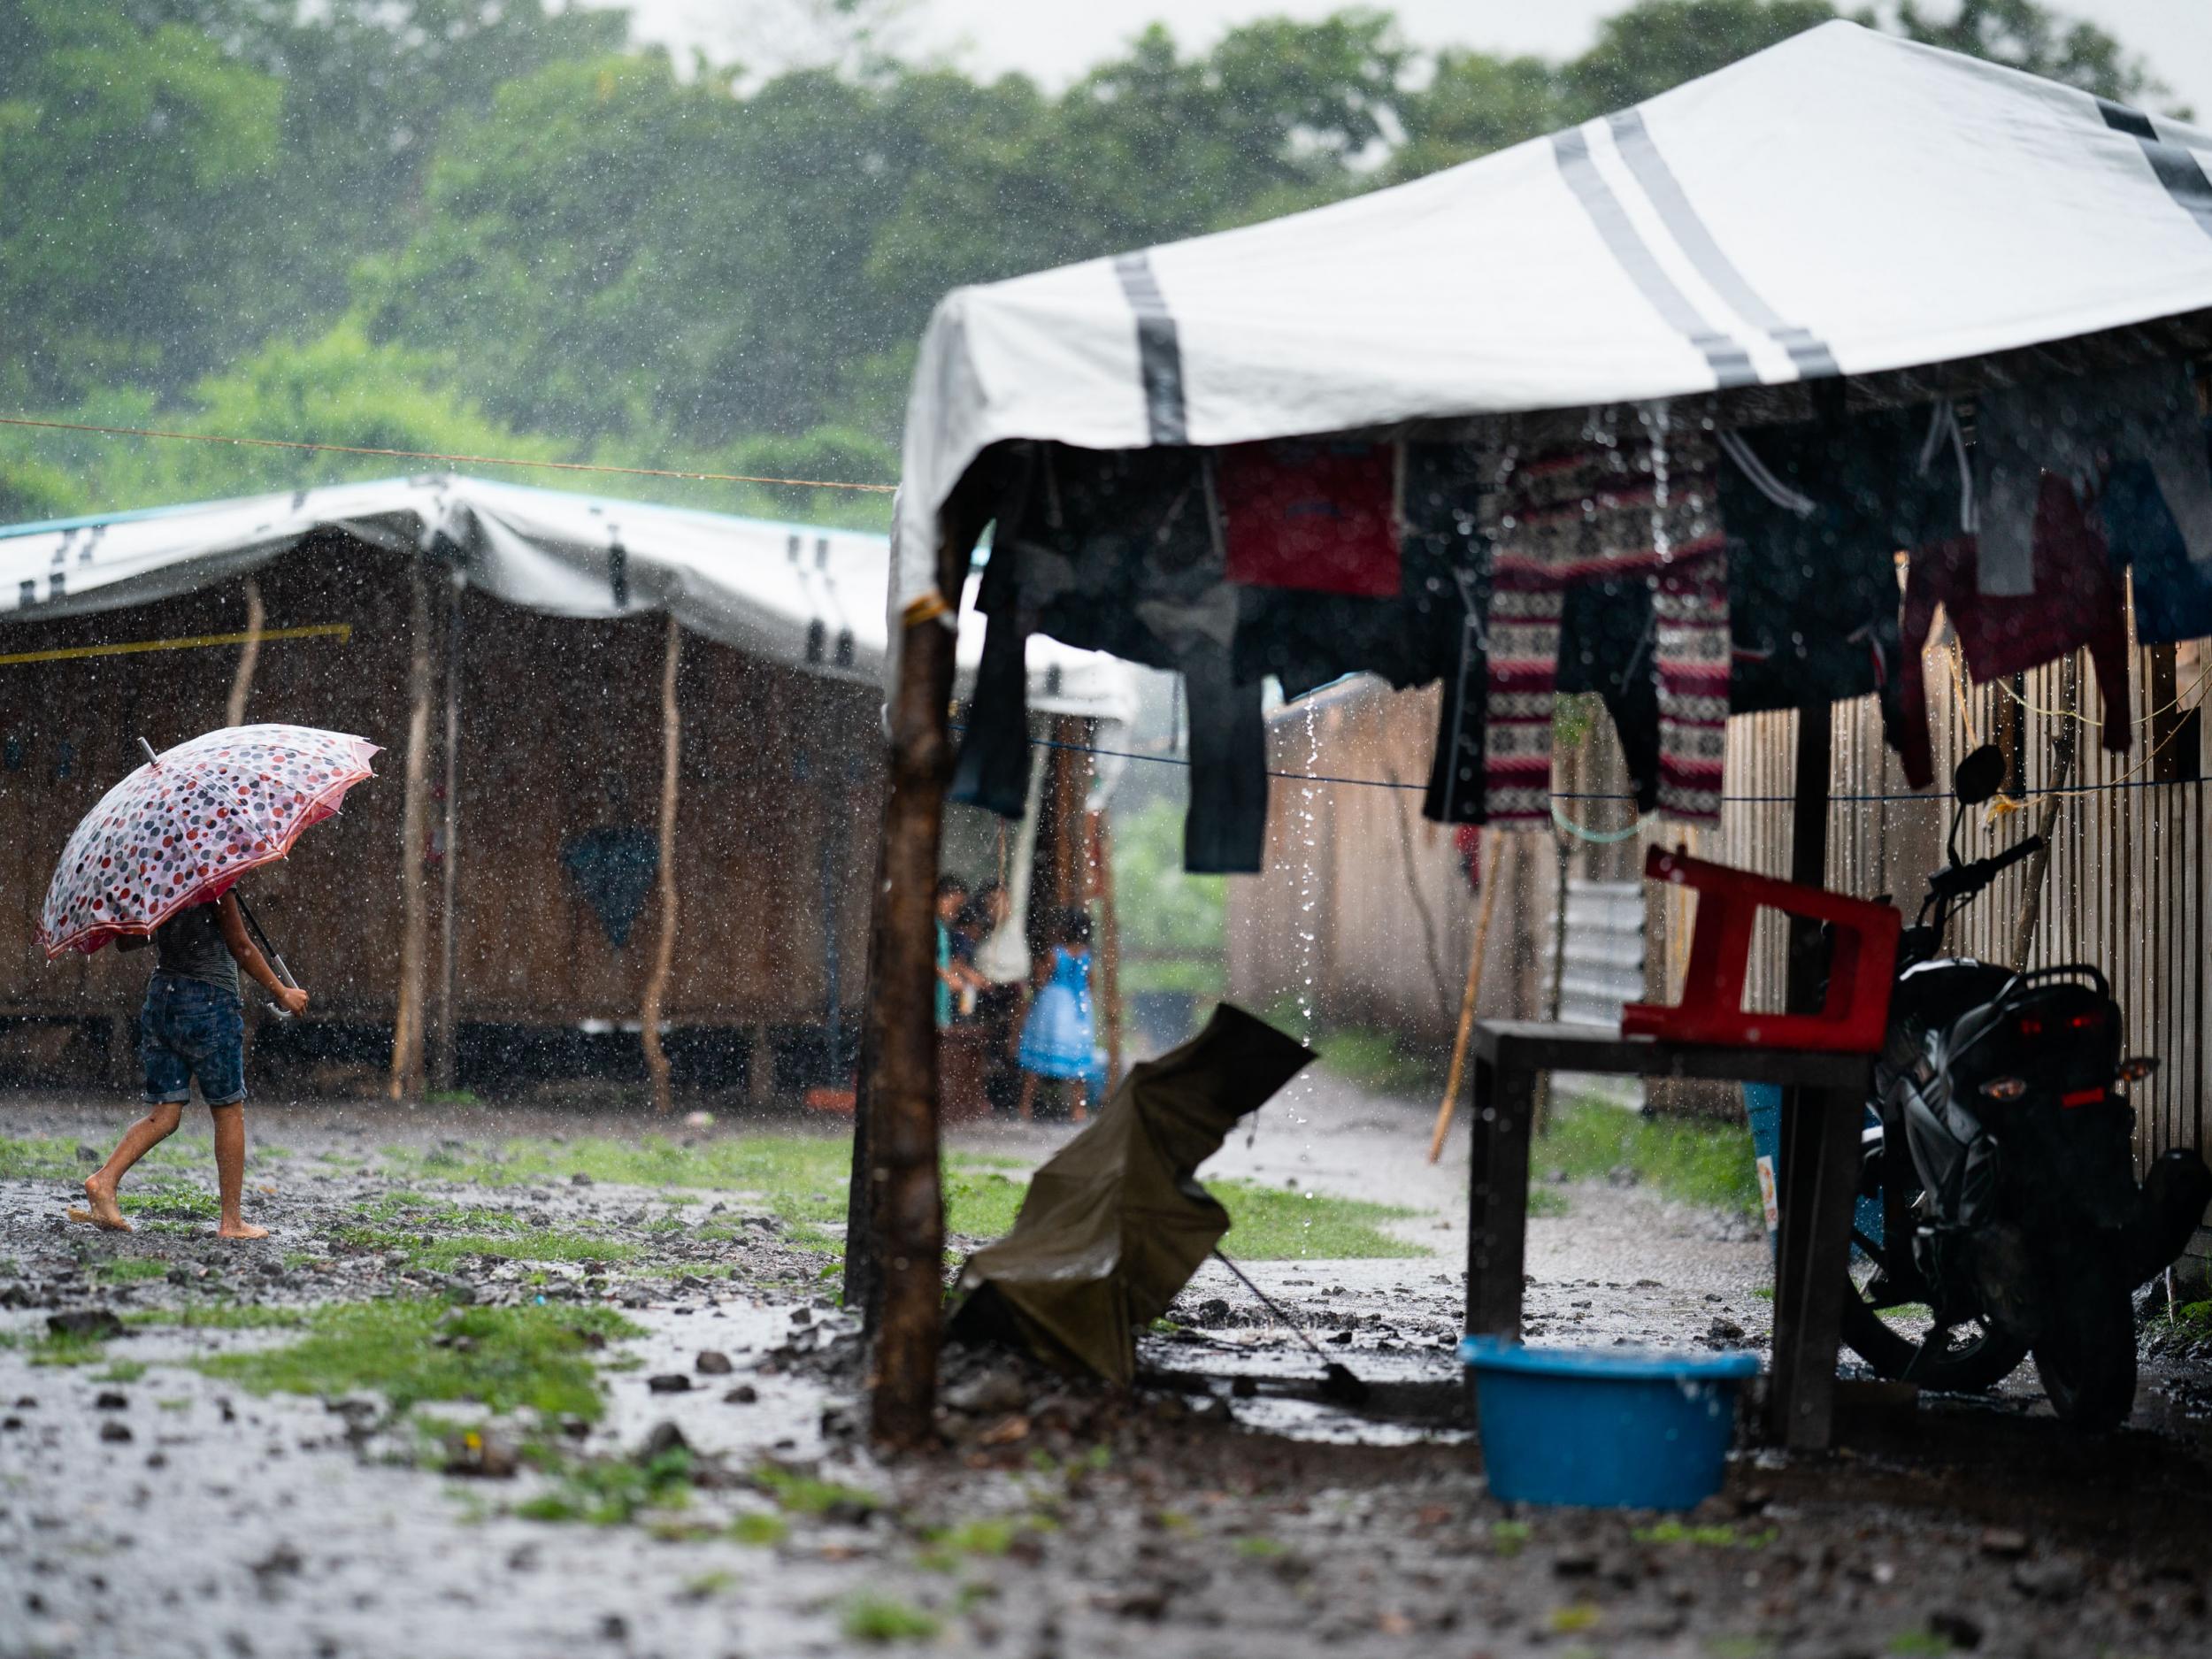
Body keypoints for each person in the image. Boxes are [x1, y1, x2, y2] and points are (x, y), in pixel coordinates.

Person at [75, 889, 308, 1240]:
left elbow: (127, 943)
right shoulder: (213, 883)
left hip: (163, 999)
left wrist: (165, 916)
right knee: (228, 1109)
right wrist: (281, 991)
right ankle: (232, 1222)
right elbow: (241, 946)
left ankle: (104, 1180)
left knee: (165, 1112)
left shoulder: (157, 883)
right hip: (209, 1003)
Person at [1017, 906, 1097, 1124]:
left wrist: (1037, 971)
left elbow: (1042, 980)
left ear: (1064, 930)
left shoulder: (1056, 953)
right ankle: (1078, 1110)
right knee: (1077, 1060)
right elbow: (1091, 984)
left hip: (1053, 1006)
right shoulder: (1087, 957)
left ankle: (1025, 1106)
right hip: (1078, 1007)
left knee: (1037, 1057)